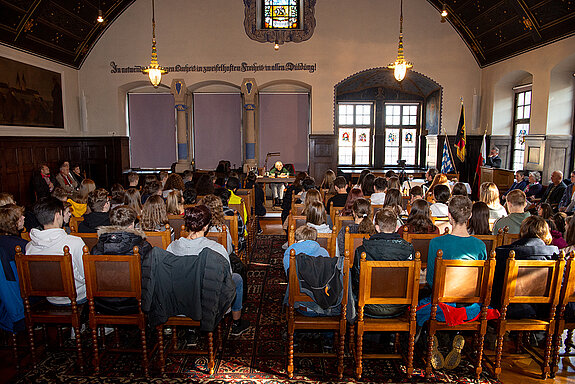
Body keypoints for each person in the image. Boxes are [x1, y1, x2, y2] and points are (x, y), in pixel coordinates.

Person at [418, 196, 488, 370]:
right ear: (470, 215)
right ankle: (453, 338)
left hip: (442, 308)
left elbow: (432, 281)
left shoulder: (437, 242)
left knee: (417, 311)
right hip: (470, 310)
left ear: (449, 215)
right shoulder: (480, 246)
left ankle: (428, 342)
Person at [167, 205, 250, 336]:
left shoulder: (172, 247)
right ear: (206, 226)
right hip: (207, 303)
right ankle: (236, 322)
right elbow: (226, 278)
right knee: (237, 279)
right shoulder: (216, 249)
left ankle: (190, 330)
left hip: (179, 301)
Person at [493, 216, 559, 318]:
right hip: (544, 310)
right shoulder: (554, 255)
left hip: (508, 308)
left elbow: (495, 284)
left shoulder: (504, 253)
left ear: (523, 231)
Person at [91, 205, 152, 315]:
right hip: (133, 302)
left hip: (103, 301)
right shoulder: (143, 247)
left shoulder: (96, 249)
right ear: (131, 225)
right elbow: (149, 277)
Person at [352, 208, 413, 318]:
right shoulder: (408, 249)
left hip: (368, 305)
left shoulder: (363, 251)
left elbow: (356, 280)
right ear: (395, 227)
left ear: (377, 228)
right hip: (399, 305)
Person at [26, 197, 86, 305]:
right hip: (76, 297)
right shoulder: (74, 243)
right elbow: (85, 274)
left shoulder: (29, 247)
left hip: (50, 297)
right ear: (58, 215)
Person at [0, 204, 27, 332]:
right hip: (20, 295)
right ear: (13, 223)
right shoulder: (21, 246)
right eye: (20, 217)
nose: (24, 217)